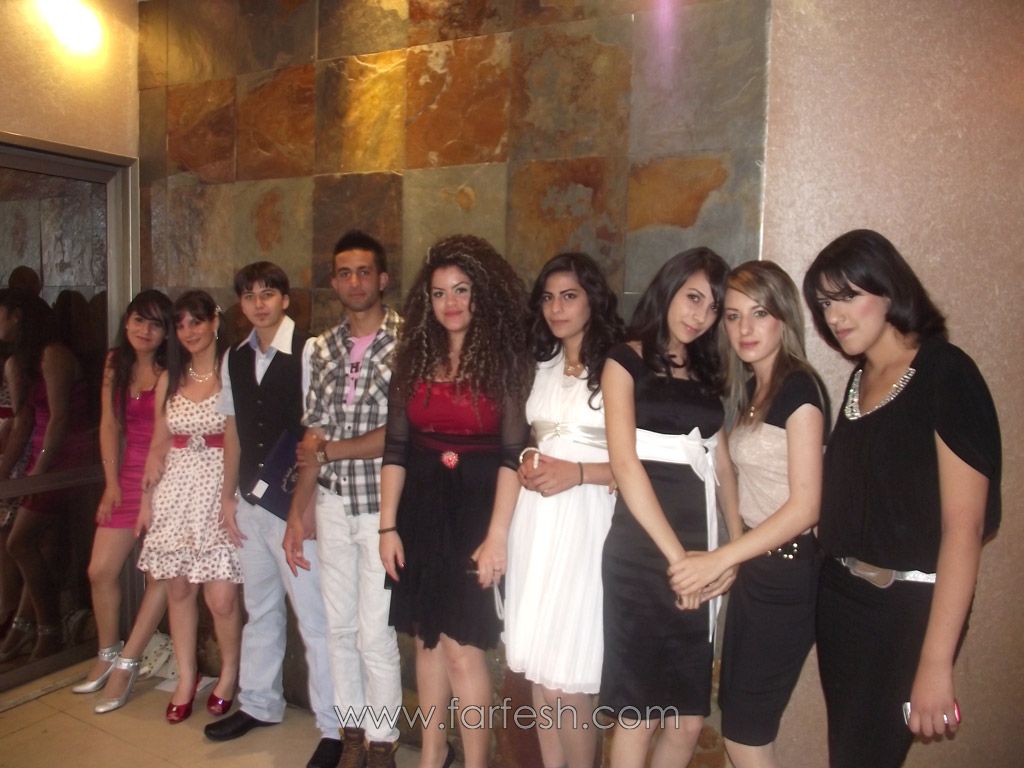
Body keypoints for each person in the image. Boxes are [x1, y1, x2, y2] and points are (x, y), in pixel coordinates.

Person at [802, 229, 1001, 768]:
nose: (834, 315)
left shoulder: (945, 372)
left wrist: (936, 662)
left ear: (889, 289)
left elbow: (964, 527)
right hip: (841, 600)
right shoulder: (859, 377)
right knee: (848, 753)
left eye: (848, 296)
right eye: (824, 303)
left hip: (907, 613)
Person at [379, 234, 532, 768]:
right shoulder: (412, 359)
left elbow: (513, 455)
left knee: (464, 650)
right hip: (421, 511)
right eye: (440, 292)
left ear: (480, 293)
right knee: (427, 641)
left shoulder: (506, 363)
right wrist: (387, 527)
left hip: (476, 513)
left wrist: (497, 535)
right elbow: (396, 449)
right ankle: (432, 756)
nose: (451, 302)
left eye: (461, 289)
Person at [668, 261, 826, 768]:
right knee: (738, 719)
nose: (745, 329)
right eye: (733, 316)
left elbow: (806, 506)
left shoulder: (799, 388)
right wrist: (734, 554)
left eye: (760, 313)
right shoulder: (754, 389)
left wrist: (721, 558)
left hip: (787, 573)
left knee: (744, 733)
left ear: (784, 317)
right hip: (759, 566)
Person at [599, 247, 740, 768]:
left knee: (687, 719)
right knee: (639, 713)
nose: (700, 316)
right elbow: (625, 464)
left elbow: (722, 464)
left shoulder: (706, 369)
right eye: (693, 298)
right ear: (670, 288)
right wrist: (677, 558)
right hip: (642, 553)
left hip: (700, 550)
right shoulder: (625, 359)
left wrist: (733, 549)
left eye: (713, 308)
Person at [203, 262, 340, 768]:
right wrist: (227, 496)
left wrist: (307, 507)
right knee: (259, 608)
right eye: (249, 296)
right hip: (250, 504)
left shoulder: (310, 351)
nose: (259, 304)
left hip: (294, 508)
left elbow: (321, 431)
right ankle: (259, 703)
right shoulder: (234, 357)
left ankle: (335, 727)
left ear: (286, 299)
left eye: (268, 293)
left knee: (316, 618)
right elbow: (233, 430)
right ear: (240, 304)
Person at [281, 231, 404, 768]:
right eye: (345, 273)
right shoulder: (324, 347)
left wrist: (331, 451)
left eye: (364, 272)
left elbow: (401, 433)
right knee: (339, 628)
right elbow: (313, 435)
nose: (355, 282)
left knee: (376, 633)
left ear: (383, 278)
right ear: (333, 281)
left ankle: (382, 743)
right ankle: (351, 736)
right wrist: (297, 512)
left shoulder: (408, 342)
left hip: (382, 508)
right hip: (331, 503)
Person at [504, 252, 624, 768]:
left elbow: (642, 465)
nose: (556, 308)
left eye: (569, 296)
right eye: (549, 298)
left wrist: (577, 473)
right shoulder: (542, 364)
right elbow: (530, 439)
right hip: (536, 521)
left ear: (593, 299)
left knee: (568, 681)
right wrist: (529, 459)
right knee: (540, 674)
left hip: (589, 522)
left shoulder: (619, 367)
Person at [136, 290, 242, 724]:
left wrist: (229, 495)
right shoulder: (171, 377)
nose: (188, 332)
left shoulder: (233, 369)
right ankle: (186, 677)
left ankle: (229, 675)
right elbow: (158, 443)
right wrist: (146, 500)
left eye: (196, 322)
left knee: (221, 597)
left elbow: (237, 438)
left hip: (219, 486)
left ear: (214, 322)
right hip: (176, 490)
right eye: (180, 325)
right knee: (178, 588)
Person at [73, 291, 174, 705]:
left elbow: (163, 438)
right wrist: (111, 483)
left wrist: (149, 493)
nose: (144, 330)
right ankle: (107, 652)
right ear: (127, 321)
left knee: (161, 574)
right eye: (138, 320)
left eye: (155, 324)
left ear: (166, 332)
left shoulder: (169, 371)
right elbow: (109, 425)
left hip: (165, 477)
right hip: (126, 475)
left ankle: (129, 661)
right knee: (100, 570)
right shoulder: (115, 362)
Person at [0, 288, 95, 662]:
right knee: (40, 546)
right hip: (42, 457)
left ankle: (49, 628)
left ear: (17, 315)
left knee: (19, 543)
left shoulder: (53, 354)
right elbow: (24, 419)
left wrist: (39, 470)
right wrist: (11, 467)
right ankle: (29, 629)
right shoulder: (22, 358)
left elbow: (59, 419)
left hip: (66, 458)